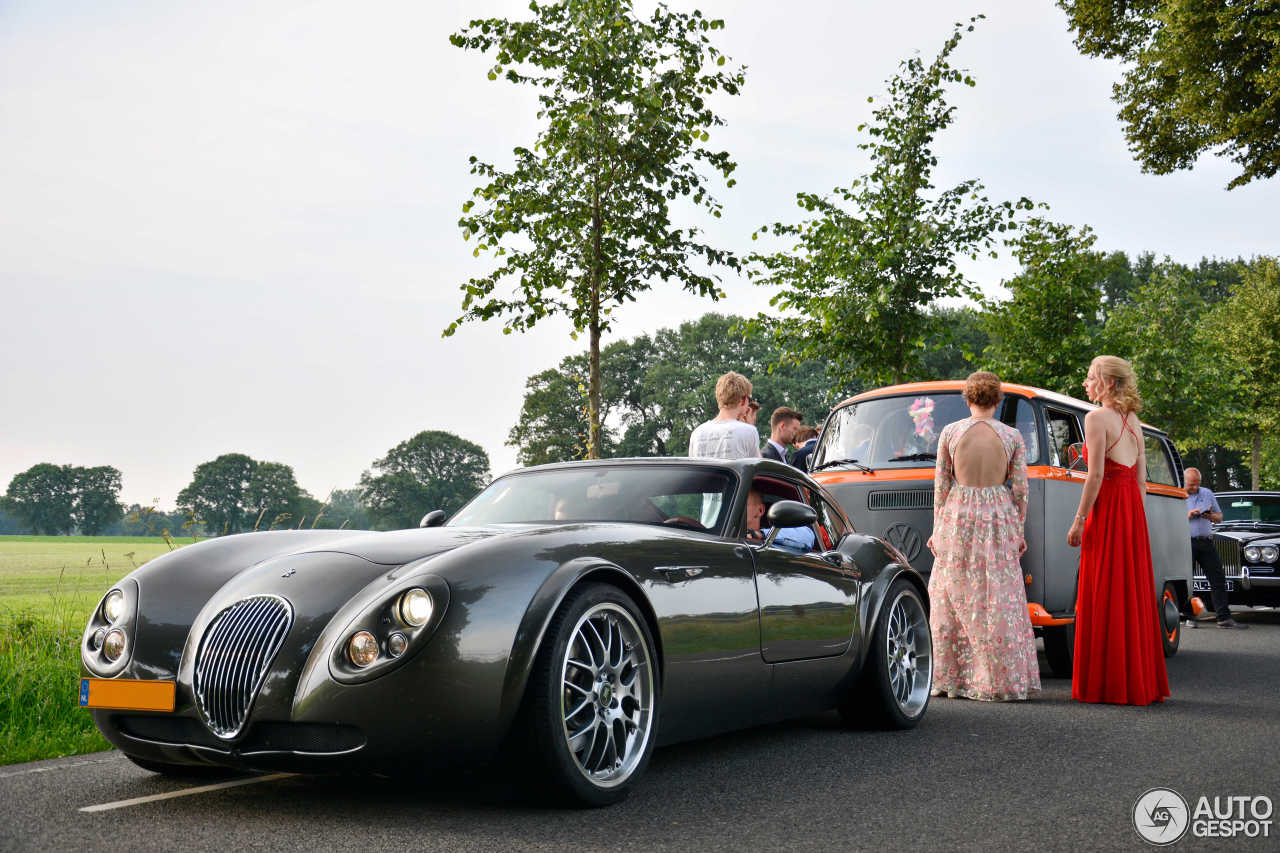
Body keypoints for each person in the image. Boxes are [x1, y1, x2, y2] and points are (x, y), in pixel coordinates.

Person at [925, 371, 1040, 701]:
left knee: (953, 594)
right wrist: (1018, 530)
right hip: (997, 515)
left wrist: (937, 529)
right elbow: (1020, 490)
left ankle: (951, 679)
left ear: (967, 398)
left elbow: (941, 487)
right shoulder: (1012, 436)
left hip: (958, 515)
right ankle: (997, 680)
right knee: (997, 596)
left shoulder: (950, 432)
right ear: (998, 399)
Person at [1067, 356, 1170, 705]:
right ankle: (1139, 682)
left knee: (1102, 589)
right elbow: (1141, 480)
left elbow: (1094, 475)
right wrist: (1134, 520)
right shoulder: (1134, 421)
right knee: (1131, 591)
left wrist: (1080, 518)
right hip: (1131, 511)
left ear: (1108, 383)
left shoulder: (1095, 418)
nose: (1086, 383)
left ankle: (1105, 683)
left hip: (1109, 507)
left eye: (1091, 377)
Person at [1185, 467, 1247, 629]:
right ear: (1184, 481)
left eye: (1197, 484)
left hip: (1206, 541)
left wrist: (1209, 516)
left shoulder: (1207, 493)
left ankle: (1224, 618)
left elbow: (1219, 517)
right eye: (1191, 485)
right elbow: (1169, 519)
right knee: (1187, 581)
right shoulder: (1177, 494)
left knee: (1218, 578)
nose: (1195, 488)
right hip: (1185, 542)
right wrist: (1189, 514)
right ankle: (1189, 617)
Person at [687, 372, 761, 460]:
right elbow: (757, 470)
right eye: (749, 399)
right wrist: (749, 426)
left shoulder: (697, 433)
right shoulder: (749, 431)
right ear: (743, 400)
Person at [744, 488, 817, 552]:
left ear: (760, 510)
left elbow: (806, 537)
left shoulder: (772, 539)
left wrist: (761, 534)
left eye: (744, 504)